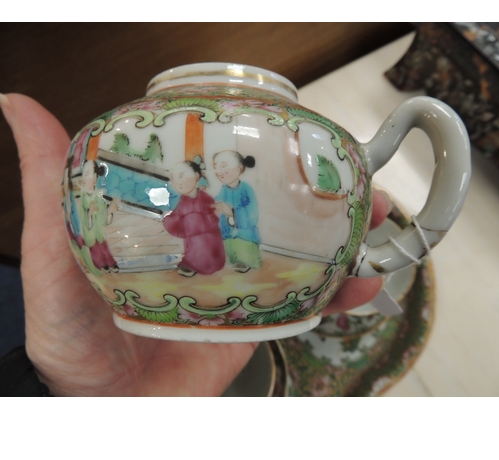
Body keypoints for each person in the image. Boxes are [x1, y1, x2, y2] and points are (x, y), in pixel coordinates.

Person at [0, 93, 390, 396]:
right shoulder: (190, 197)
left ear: (228, 172)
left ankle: (229, 265)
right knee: (201, 253)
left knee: (237, 252)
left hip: (228, 235)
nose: (183, 185)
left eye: (223, 169)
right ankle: (208, 264)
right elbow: (178, 217)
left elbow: (220, 213)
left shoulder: (221, 194)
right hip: (196, 243)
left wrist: (223, 216)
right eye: (213, 170)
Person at [163, 161, 225, 277]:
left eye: (181, 176)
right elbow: (177, 215)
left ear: (196, 176)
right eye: (174, 178)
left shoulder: (206, 198)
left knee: (204, 250)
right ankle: (192, 264)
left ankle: (208, 263)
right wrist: (169, 220)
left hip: (208, 239)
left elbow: (213, 217)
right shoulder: (182, 201)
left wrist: (194, 220)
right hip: (192, 239)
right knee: (193, 251)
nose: (177, 182)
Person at [213, 151, 261, 273]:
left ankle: (247, 260)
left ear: (239, 169)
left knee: (243, 252)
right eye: (215, 167)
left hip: (245, 236)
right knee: (228, 253)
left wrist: (232, 213)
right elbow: (216, 203)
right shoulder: (224, 189)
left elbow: (252, 214)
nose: (218, 171)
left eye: (223, 166)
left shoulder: (246, 189)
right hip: (228, 235)